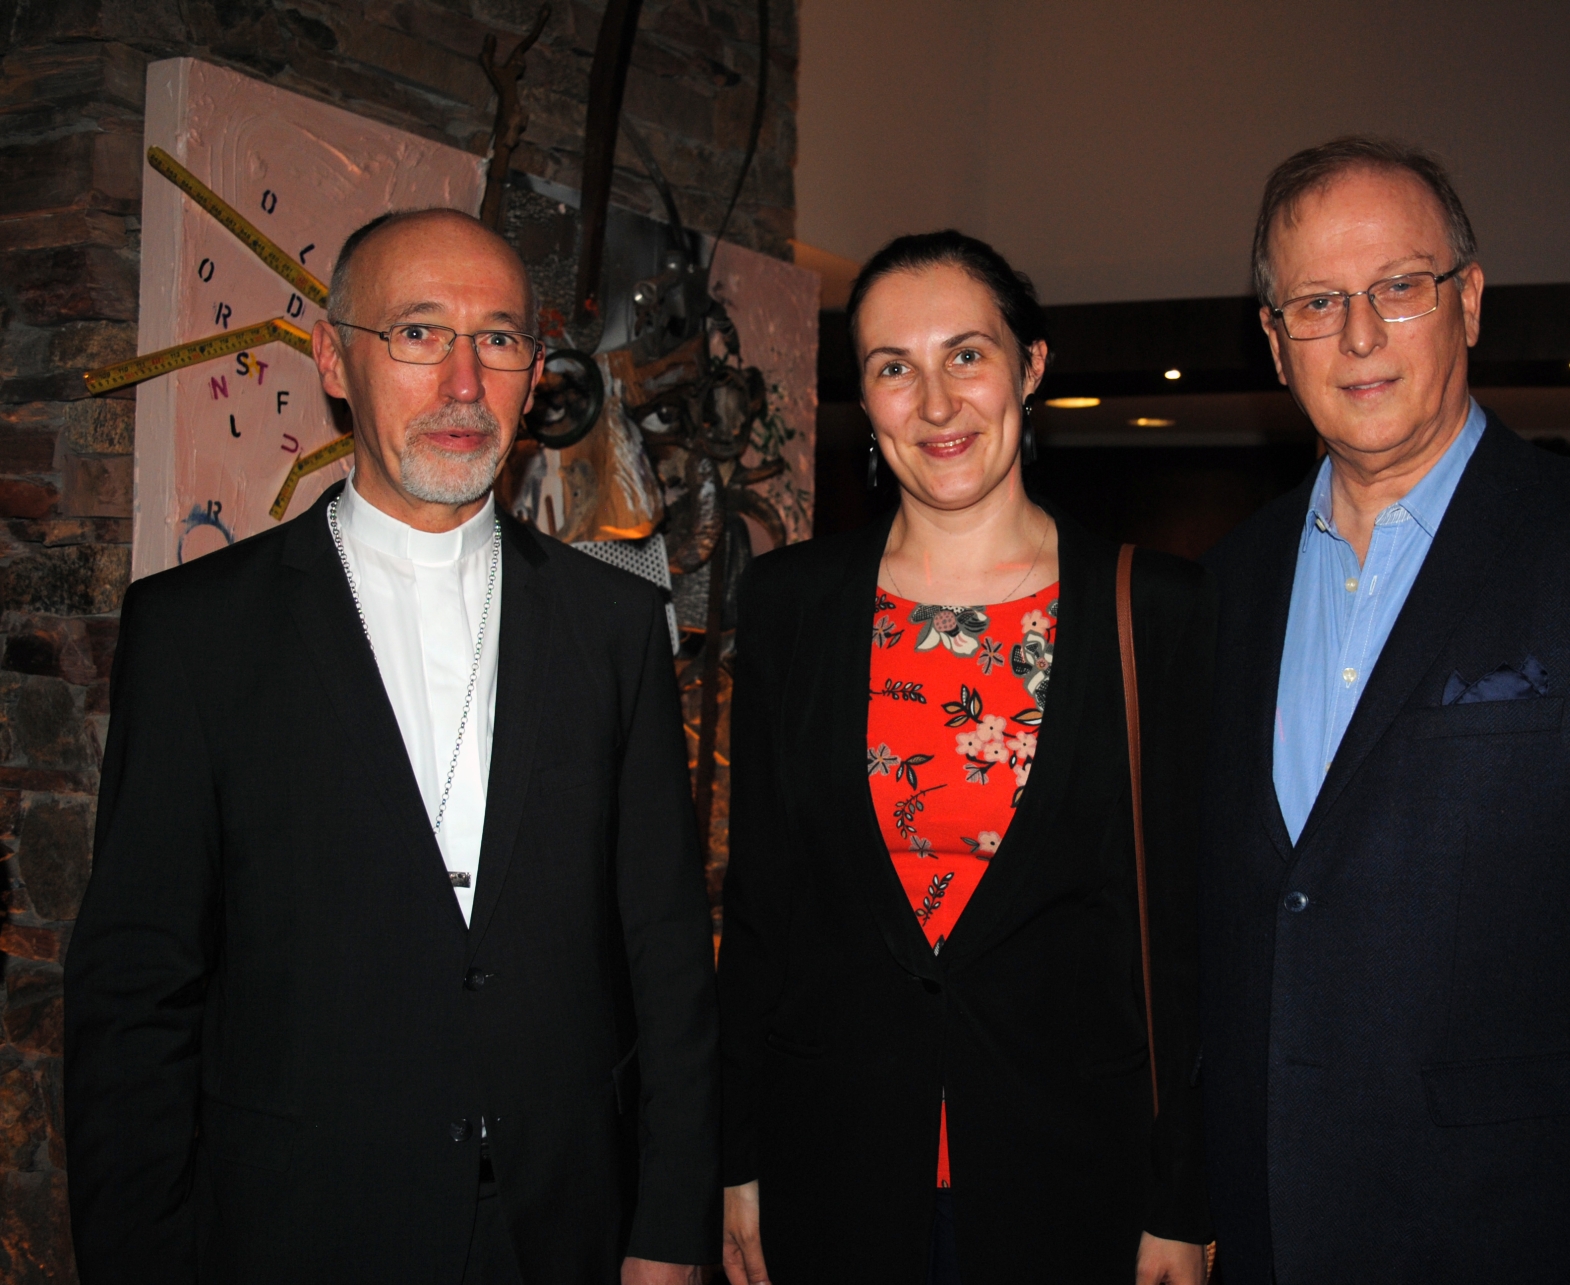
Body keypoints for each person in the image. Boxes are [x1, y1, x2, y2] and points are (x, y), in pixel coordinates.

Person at [65, 209, 719, 1285]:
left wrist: (669, 1228)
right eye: (419, 334)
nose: (464, 383)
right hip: (301, 1225)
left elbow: (667, 947)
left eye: (498, 339)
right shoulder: (198, 631)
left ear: (533, 371)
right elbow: (136, 989)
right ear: (334, 358)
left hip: (568, 1221)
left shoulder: (611, 624)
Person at [1197, 135, 1570, 1282]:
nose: (1359, 335)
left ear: (1468, 301)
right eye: (1317, 302)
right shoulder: (1222, 587)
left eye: (1399, 287)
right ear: (1273, 341)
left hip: (1510, 1234)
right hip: (1264, 1230)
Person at [716, 231, 1212, 1284]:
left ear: (1031, 367)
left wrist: (1186, 1194)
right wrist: (736, 1156)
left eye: (968, 355)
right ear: (865, 398)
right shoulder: (791, 605)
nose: (936, 403)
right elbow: (761, 912)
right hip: (834, 1168)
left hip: (1076, 1182)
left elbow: (1188, 942)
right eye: (894, 367)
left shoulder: (1157, 612)